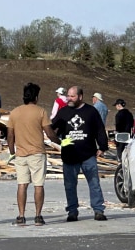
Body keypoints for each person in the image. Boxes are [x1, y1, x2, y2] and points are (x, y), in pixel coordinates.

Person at [52, 86, 109, 222]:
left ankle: (98, 210)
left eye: (72, 96)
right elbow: (52, 128)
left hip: (88, 154)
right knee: (70, 185)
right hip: (70, 155)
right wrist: (58, 141)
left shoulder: (91, 111)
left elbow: (100, 130)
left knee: (94, 183)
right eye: (68, 96)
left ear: (80, 97)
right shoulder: (63, 112)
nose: (69, 99)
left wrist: (102, 146)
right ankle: (72, 211)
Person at [7, 82, 59, 226]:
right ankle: (38, 216)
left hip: (21, 153)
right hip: (37, 153)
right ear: (36, 97)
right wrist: (61, 142)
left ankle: (21, 216)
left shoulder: (14, 112)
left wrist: (12, 151)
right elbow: (49, 133)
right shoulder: (41, 111)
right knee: (38, 185)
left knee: (22, 184)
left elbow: (10, 135)